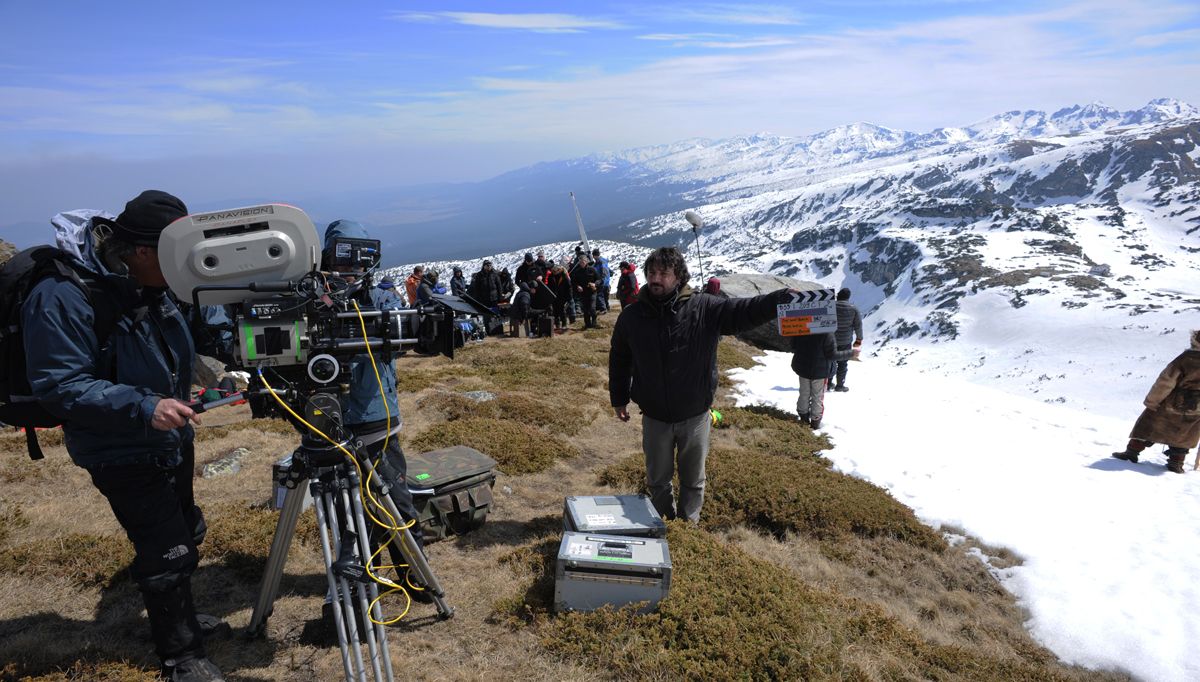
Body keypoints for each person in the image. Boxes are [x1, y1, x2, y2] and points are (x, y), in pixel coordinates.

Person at [23, 191, 225, 681]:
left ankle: (177, 615)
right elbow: (59, 384)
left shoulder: (148, 283)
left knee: (186, 528)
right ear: (140, 251)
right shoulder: (62, 294)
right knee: (165, 548)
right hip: (119, 445)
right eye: (174, 256)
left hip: (167, 434)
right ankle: (181, 657)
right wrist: (145, 405)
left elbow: (180, 343)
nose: (184, 268)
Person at [608, 247, 793, 522]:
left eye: (664, 273)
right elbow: (620, 358)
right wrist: (619, 398)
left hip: (695, 415)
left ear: (679, 277)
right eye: (652, 273)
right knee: (657, 480)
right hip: (655, 416)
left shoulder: (704, 308)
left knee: (693, 480)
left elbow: (742, 311)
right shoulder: (632, 317)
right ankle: (663, 527)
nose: (655, 279)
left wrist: (778, 299)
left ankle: (688, 528)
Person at [321, 220, 428, 578]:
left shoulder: (382, 297)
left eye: (357, 260)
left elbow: (402, 340)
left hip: (377, 419)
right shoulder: (313, 299)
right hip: (330, 421)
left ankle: (413, 574)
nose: (349, 270)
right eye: (341, 259)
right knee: (347, 510)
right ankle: (365, 575)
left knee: (395, 501)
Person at [1113, 330, 1200, 473]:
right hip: (1197, 407)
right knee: (1185, 433)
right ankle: (1176, 463)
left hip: (1173, 402)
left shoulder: (1185, 359)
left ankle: (1131, 453)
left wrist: (1152, 401)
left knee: (1148, 424)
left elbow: (1166, 381)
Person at [790, 331, 857, 429]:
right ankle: (815, 423)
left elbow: (793, 345)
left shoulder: (801, 328)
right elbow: (832, 355)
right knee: (817, 396)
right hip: (820, 371)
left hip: (803, 367)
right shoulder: (827, 332)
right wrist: (851, 353)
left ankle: (803, 417)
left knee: (804, 393)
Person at [829, 287, 863, 392]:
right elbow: (858, 326)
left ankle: (828, 383)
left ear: (838, 296)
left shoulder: (830, 306)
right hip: (845, 341)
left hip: (830, 339)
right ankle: (840, 385)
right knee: (843, 363)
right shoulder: (854, 309)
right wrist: (858, 341)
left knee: (830, 361)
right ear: (848, 297)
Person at [571, 255, 600, 329]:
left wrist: (595, 284)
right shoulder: (577, 271)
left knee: (592, 308)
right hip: (583, 292)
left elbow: (599, 279)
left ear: (586, 261)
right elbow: (573, 282)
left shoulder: (592, 269)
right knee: (585, 309)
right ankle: (587, 324)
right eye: (580, 262)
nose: (581, 263)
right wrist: (577, 286)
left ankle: (594, 323)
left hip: (592, 291)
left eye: (583, 262)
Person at [547, 264, 573, 331]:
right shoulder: (551, 276)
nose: (554, 272)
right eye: (553, 271)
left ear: (559, 270)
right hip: (554, 296)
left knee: (562, 310)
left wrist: (569, 298)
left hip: (563, 296)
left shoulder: (564, 277)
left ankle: (564, 324)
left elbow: (569, 288)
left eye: (556, 271)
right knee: (555, 311)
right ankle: (557, 324)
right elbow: (549, 286)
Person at [591, 248, 611, 313]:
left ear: (595, 255)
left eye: (593, 256)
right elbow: (609, 271)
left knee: (600, 295)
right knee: (605, 296)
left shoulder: (599, 262)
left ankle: (603, 309)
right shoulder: (604, 261)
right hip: (607, 281)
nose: (593, 258)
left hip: (602, 281)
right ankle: (607, 308)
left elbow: (602, 272)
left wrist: (600, 280)